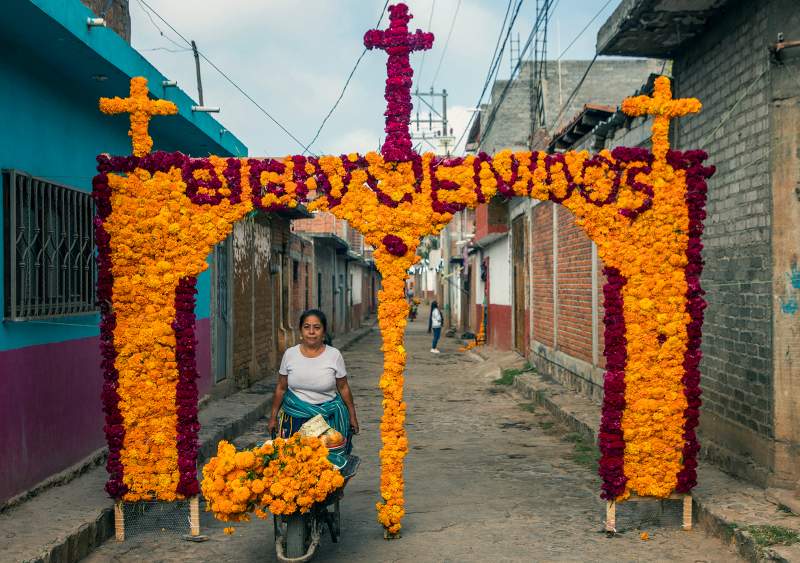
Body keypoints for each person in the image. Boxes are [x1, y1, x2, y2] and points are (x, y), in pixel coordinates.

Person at [267, 309, 359, 456]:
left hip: (327, 422)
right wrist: (273, 418)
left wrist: (352, 416)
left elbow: (343, 387)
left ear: (323, 332)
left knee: (326, 466)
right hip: (295, 420)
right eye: (306, 327)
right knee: (295, 464)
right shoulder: (290, 355)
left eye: (316, 328)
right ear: (300, 331)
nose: (311, 332)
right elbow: (281, 388)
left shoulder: (334, 355)